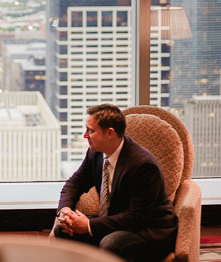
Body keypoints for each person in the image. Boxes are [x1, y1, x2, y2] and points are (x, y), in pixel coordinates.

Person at [55, 104, 177, 262]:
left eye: (91, 130)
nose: (85, 135)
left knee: (111, 244)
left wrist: (89, 225)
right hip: (116, 222)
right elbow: (74, 184)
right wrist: (65, 211)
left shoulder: (143, 165)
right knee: (63, 231)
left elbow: (136, 217)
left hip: (149, 231)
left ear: (110, 133)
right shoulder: (95, 153)